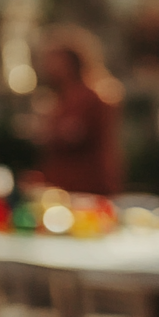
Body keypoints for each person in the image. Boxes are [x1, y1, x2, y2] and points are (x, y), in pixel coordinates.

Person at [35, 28, 122, 196]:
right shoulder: (62, 96)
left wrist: (45, 131)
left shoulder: (90, 95)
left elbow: (73, 134)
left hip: (86, 186)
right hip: (64, 184)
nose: (47, 66)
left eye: (54, 60)